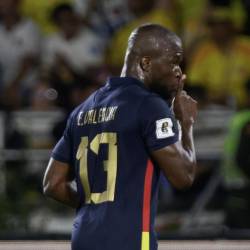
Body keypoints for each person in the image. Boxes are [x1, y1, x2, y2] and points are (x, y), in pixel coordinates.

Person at [43, 24, 197, 250]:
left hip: (84, 239)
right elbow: (184, 177)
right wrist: (187, 124)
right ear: (146, 63)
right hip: (130, 240)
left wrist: (95, 208)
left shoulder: (82, 110)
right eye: (173, 62)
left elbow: (52, 184)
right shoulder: (149, 105)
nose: (178, 71)